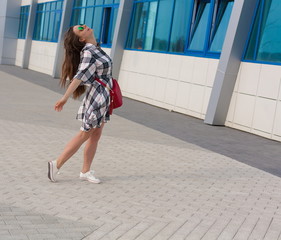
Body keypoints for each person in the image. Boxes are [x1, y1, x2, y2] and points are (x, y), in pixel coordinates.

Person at [47, 24, 113, 184]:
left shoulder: (96, 48)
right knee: (85, 133)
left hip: (104, 95)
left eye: (82, 25)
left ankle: (85, 171)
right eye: (81, 29)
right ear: (82, 39)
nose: (85, 27)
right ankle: (56, 164)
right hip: (97, 96)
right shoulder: (89, 51)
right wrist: (65, 98)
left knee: (95, 135)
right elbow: (80, 75)